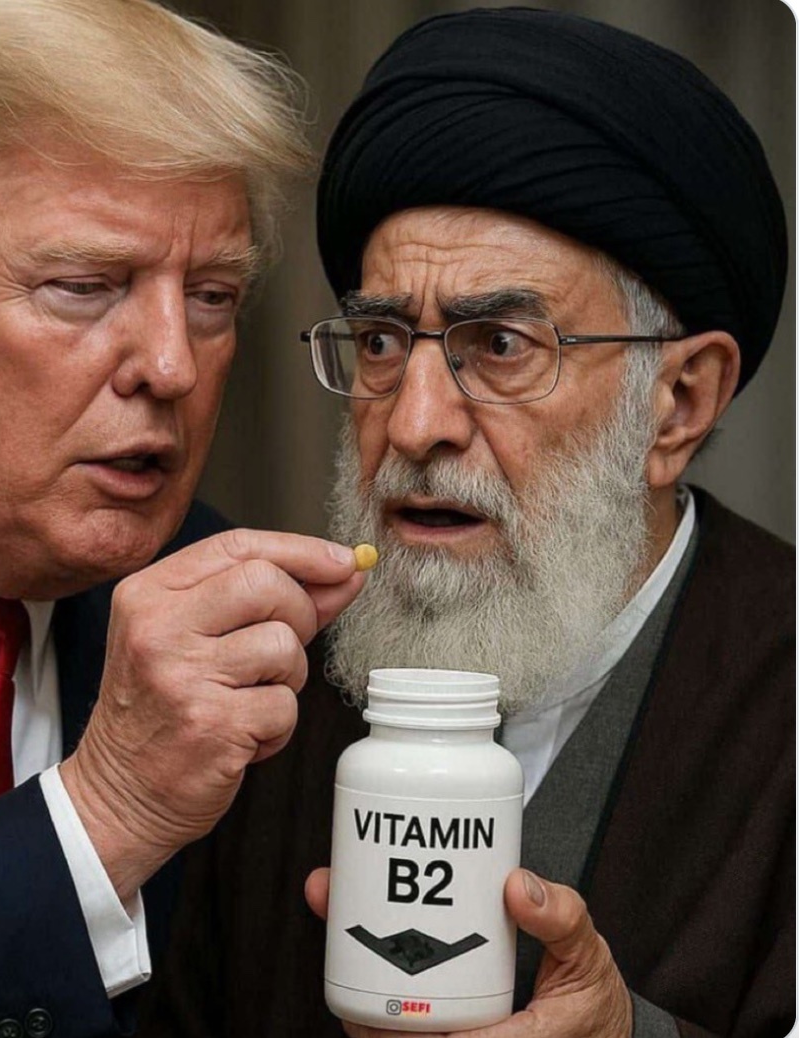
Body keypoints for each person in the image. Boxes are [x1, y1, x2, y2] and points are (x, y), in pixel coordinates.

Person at [137, 9, 794, 1038]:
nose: (414, 423)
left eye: (500, 345)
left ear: (678, 405)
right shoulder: (275, 689)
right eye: (381, 342)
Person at [0, 1, 368, 1035]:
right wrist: (101, 818)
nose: (171, 366)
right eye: (85, 286)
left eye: (212, 297)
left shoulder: (235, 624)